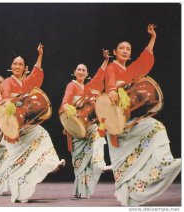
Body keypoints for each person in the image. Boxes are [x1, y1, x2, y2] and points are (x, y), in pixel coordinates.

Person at [104, 24, 181, 206]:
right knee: (125, 163)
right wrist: (113, 91)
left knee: (156, 127)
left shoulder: (131, 71)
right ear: (115, 51)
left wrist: (152, 38)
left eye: (128, 49)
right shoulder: (111, 68)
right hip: (117, 123)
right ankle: (128, 196)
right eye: (121, 48)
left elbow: (144, 60)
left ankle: (165, 162)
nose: (125, 51)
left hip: (131, 121)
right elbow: (110, 83)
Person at [1, 43, 65, 203]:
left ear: (25, 67)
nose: (17, 66)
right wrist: (9, 103)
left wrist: (40, 55)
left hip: (27, 125)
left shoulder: (27, 82)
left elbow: (36, 75)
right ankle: (17, 194)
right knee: (16, 162)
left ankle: (50, 163)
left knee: (43, 134)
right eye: (15, 63)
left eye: (20, 64)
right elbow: (5, 98)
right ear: (11, 66)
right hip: (12, 125)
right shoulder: (8, 81)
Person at [60, 49, 112, 199]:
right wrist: (66, 109)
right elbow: (65, 101)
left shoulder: (89, 87)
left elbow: (100, 75)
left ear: (87, 73)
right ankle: (80, 191)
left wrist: (106, 61)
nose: (81, 71)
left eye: (84, 70)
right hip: (75, 127)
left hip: (89, 125)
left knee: (99, 136)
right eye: (79, 69)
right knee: (80, 161)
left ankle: (100, 162)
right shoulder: (72, 85)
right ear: (74, 72)